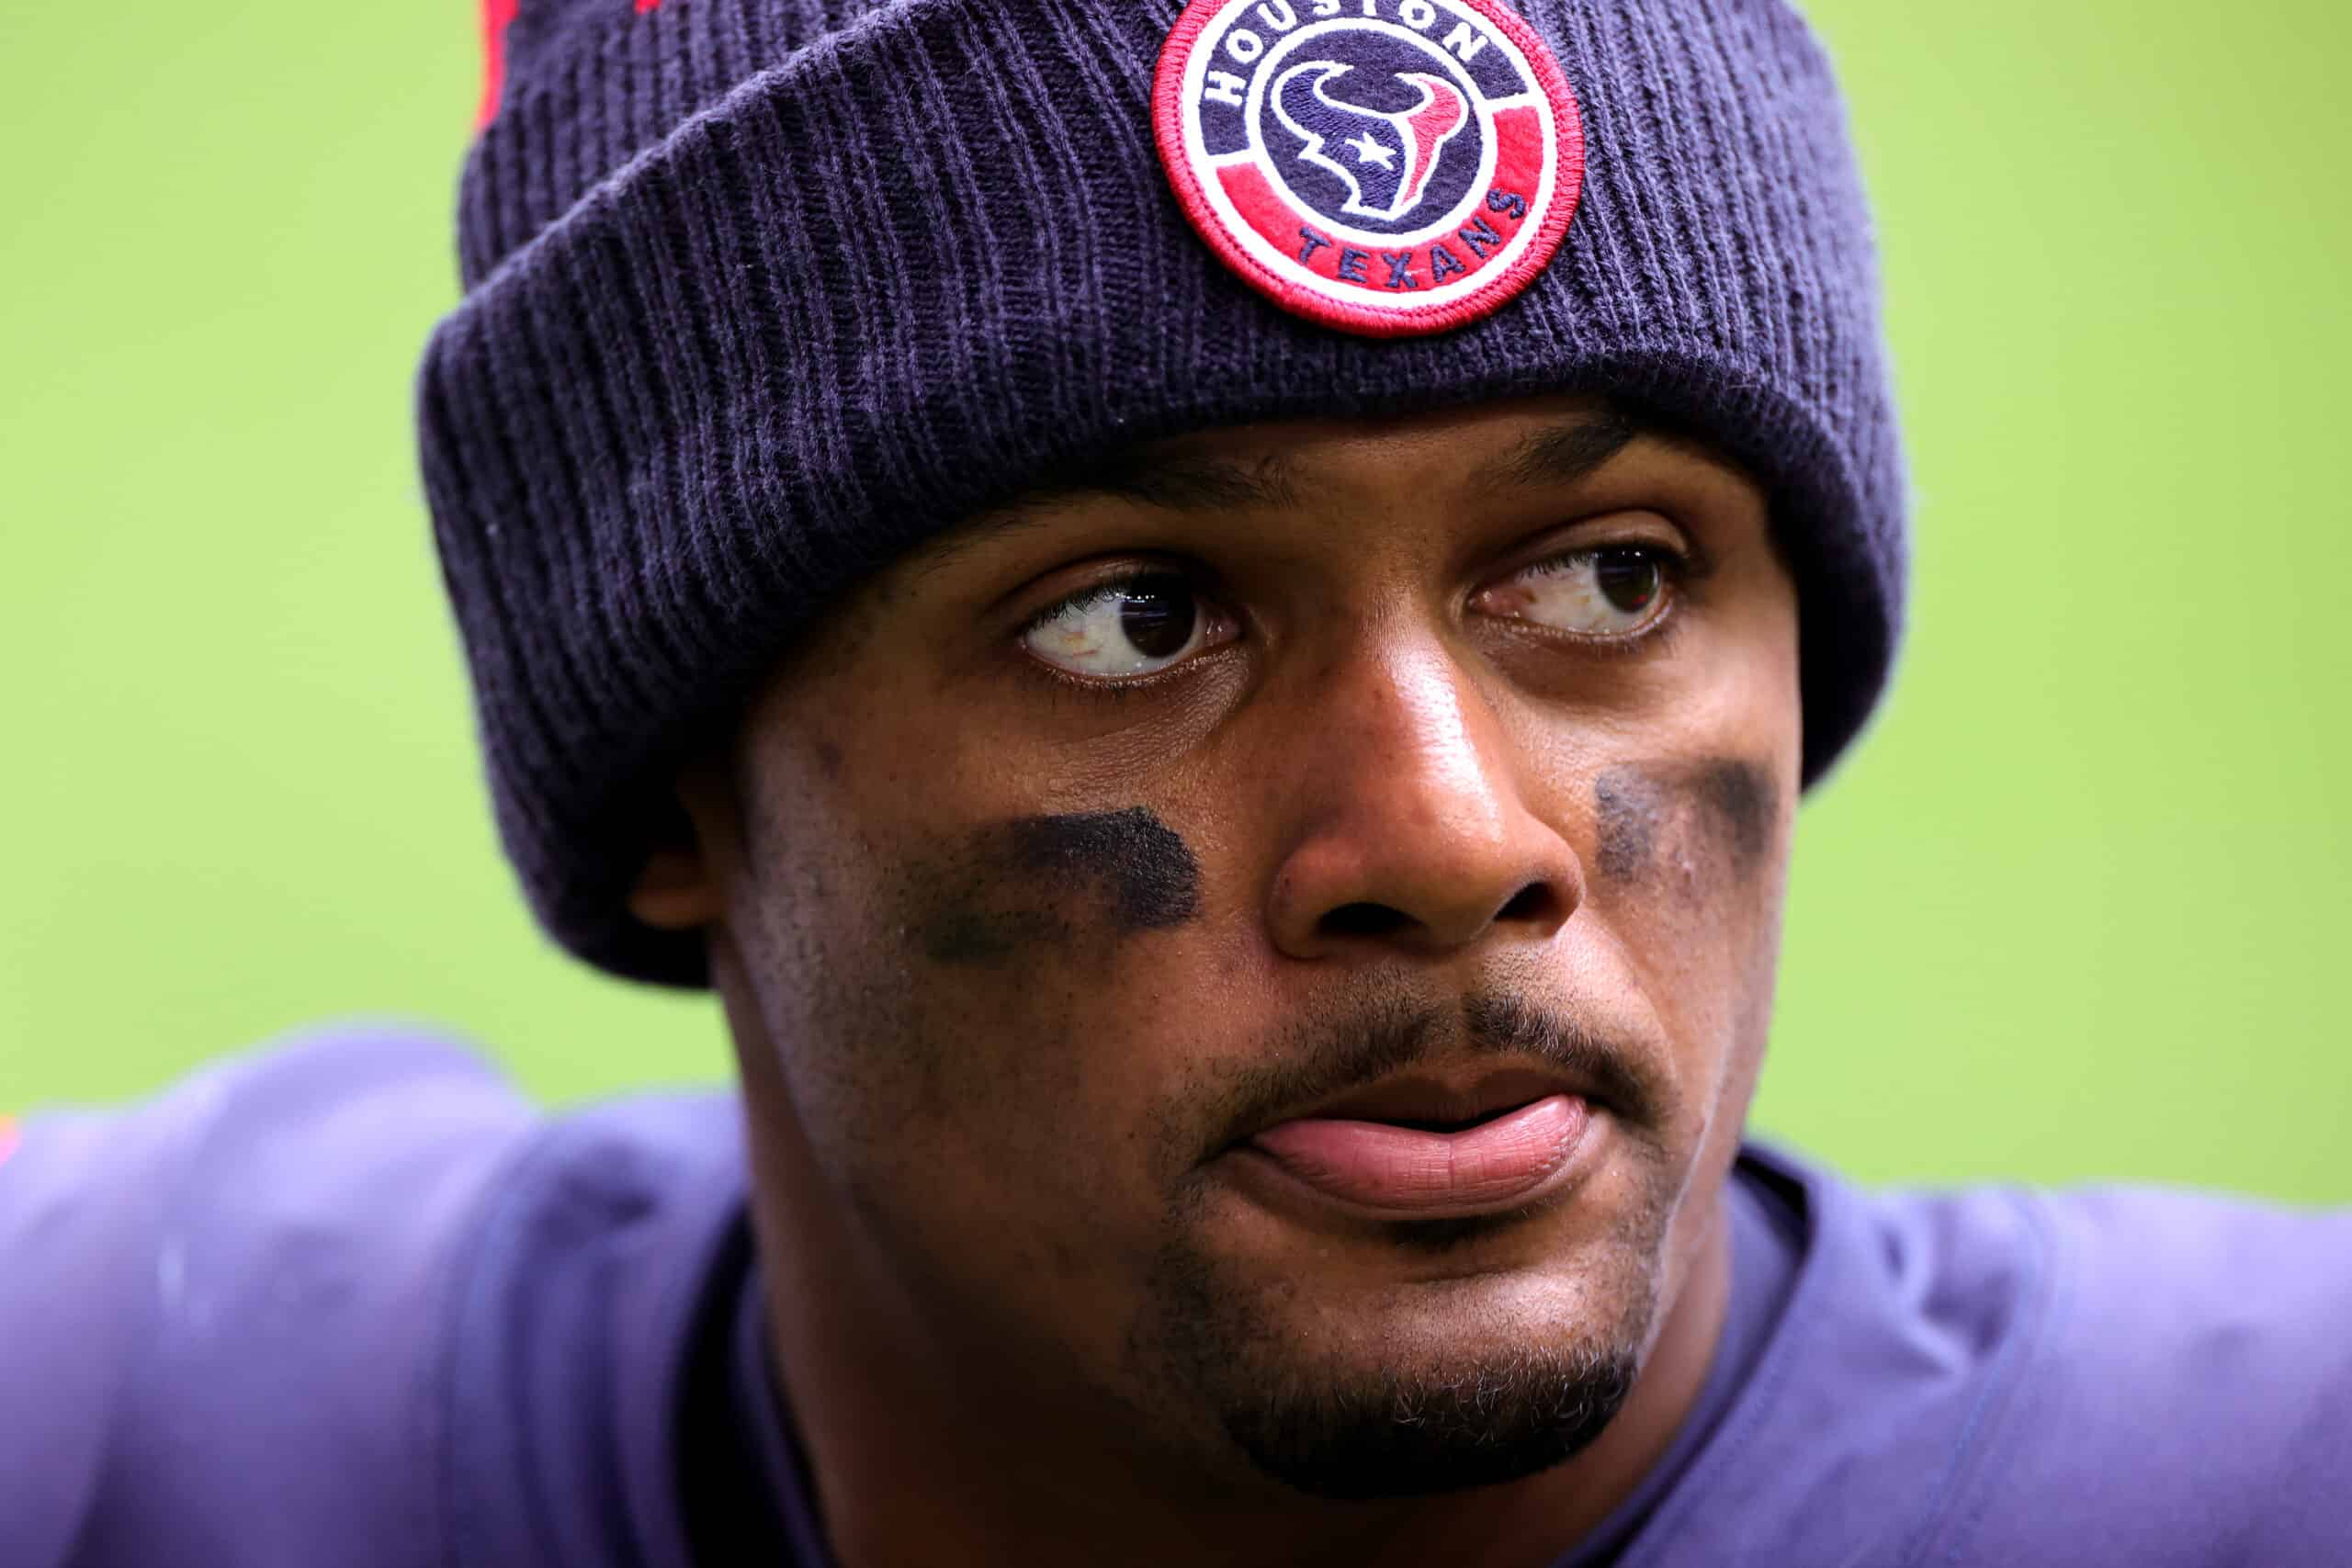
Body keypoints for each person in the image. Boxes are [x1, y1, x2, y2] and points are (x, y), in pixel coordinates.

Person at [5, 0, 2346, 1563]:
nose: (1450, 835)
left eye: (1610, 576)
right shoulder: (134, 1424)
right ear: (668, 774)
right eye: (1134, 616)